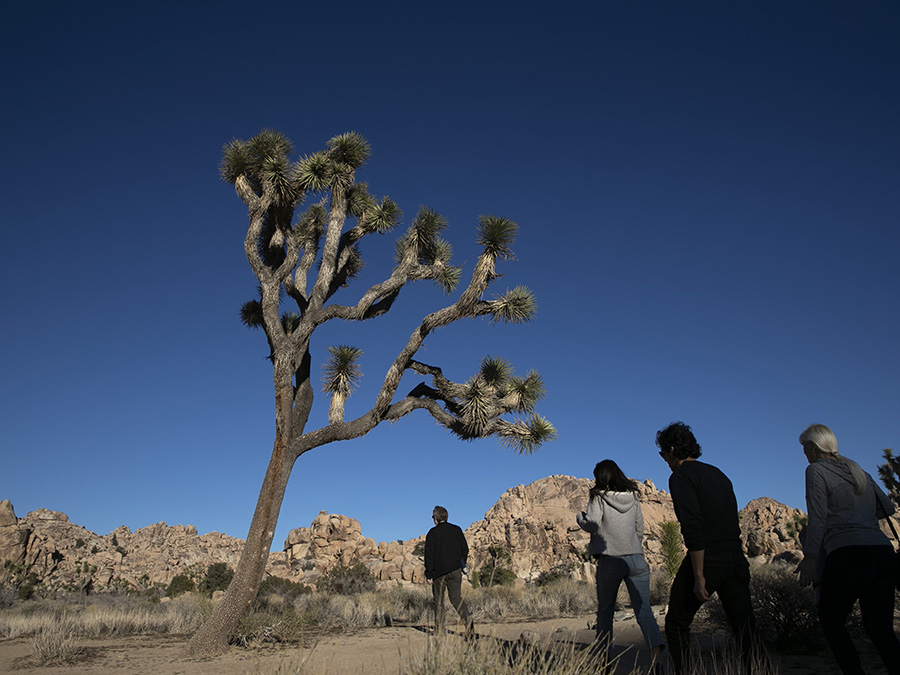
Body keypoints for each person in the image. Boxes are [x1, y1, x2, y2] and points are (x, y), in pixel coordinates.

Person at [655, 421, 764, 674]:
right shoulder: (719, 474)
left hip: (709, 557)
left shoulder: (680, 476)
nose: (664, 460)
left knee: (677, 623)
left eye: (663, 454)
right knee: (745, 626)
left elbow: (693, 527)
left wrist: (700, 575)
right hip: (736, 556)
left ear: (672, 449)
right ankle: (760, 668)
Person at [795, 423, 900, 675]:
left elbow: (818, 517)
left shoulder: (816, 470)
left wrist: (810, 556)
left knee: (831, 621)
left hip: (847, 553)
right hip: (881, 553)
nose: (804, 453)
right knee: (881, 629)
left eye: (804, 447)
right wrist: (860, 516)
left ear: (813, 446)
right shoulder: (859, 470)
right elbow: (888, 508)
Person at [576, 459, 666, 666]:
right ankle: (656, 657)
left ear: (600, 477)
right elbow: (639, 528)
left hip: (610, 559)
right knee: (643, 610)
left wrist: (579, 517)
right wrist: (632, 546)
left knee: (606, 611)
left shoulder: (598, 496)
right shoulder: (633, 496)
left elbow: (592, 525)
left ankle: (605, 658)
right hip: (636, 558)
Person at [425, 505, 474, 635]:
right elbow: (465, 550)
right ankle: (468, 623)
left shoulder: (432, 533)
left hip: (438, 573)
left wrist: (429, 574)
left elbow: (429, 555)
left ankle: (440, 631)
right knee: (456, 598)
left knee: (438, 601)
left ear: (435, 518)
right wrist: (460, 562)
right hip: (455, 570)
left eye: (433, 517)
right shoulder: (456, 530)